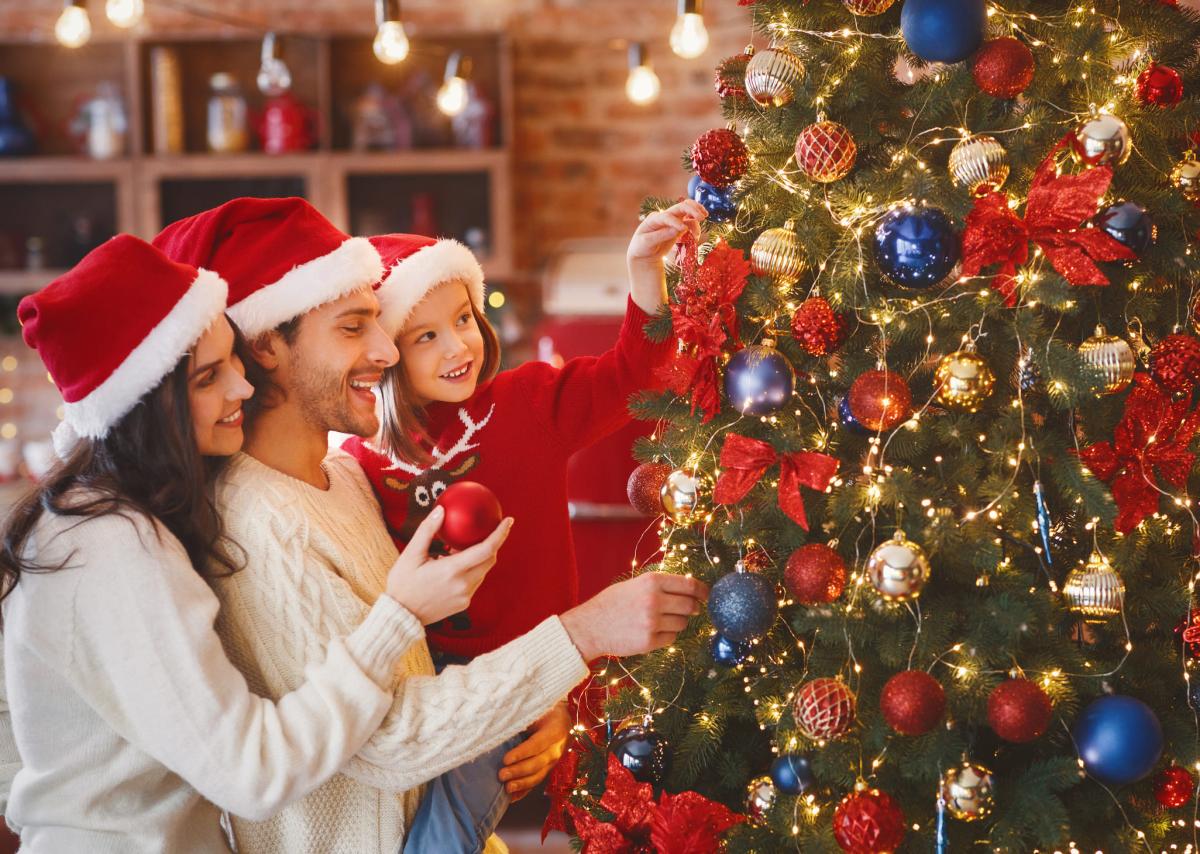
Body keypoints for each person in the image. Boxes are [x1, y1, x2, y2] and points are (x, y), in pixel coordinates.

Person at [153, 196, 707, 854]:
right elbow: (390, 741)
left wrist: (540, 695)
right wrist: (576, 639)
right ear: (269, 344)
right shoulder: (275, 518)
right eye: (357, 326)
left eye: (462, 320)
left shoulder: (346, 479)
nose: (384, 351)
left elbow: (415, 677)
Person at [0, 235, 504, 852]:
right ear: (146, 407)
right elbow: (252, 771)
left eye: (232, 362)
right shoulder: (111, 547)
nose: (242, 388)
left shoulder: (120, 519)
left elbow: (13, 726)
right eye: (209, 376)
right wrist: (399, 616)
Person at [341, 199, 707, 797]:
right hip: (426, 696)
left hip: (534, 676)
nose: (457, 348)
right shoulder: (360, 460)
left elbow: (630, 377)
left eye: (463, 319)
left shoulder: (527, 403)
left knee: (457, 818)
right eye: (425, 336)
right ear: (385, 353)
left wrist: (644, 271)